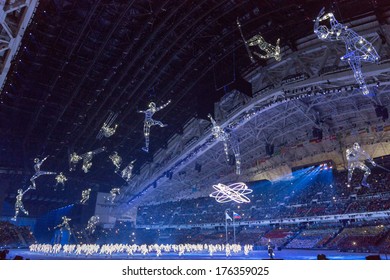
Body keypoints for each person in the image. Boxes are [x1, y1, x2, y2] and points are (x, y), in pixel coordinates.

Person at [314, 7, 380, 95]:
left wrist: (320, 18)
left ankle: (360, 57)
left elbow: (331, 15)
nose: (322, 30)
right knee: (356, 69)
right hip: (351, 44)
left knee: (371, 55)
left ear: (325, 28)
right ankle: (363, 87)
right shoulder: (331, 35)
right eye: (321, 30)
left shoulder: (334, 26)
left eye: (322, 29)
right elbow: (316, 31)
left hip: (355, 39)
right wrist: (318, 20)